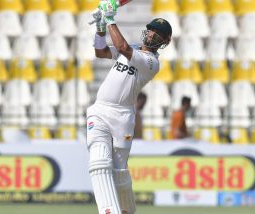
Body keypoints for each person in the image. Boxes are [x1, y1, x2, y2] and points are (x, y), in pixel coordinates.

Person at [85, 0, 172, 213]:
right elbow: (101, 52)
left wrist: (110, 18)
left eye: (157, 34)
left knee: (119, 172)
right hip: (100, 110)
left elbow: (122, 47)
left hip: (122, 117)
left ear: (164, 41)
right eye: (151, 31)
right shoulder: (132, 49)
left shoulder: (151, 62)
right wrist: (100, 27)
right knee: (98, 162)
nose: (151, 35)